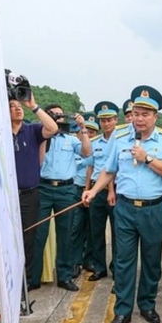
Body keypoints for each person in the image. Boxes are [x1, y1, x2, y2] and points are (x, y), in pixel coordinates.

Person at [83, 86, 162, 323]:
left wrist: (147, 158)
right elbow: (109, 170)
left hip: (154, 209)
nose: (139, 118)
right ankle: (122, 310)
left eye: (145, 114)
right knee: (124, 261)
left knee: (151, 260)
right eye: (136, 113)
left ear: (155, 117)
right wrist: (93, 191)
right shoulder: (119, 137)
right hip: (125, 208)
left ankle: (147, 304)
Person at [0, 94, 59, 302]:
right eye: (12, 106)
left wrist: (33, 105)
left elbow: (53, 128)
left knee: (27, 239)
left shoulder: (33, 130)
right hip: (3, 196)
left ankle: (22, 285)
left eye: (19, 106)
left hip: (29, 195)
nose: (17, 109)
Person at [31, 105, 91, 292]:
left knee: (65, 235)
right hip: (43, 188)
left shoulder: (70, 139)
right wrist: (45, 133)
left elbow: (86, 153)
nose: (57, 118)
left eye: (60, 115)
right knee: (38, 234)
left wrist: (83, 128)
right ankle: (33, 277)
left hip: (66, 189)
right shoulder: (38, 137)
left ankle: (64, 276)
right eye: (53, 115)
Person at [86, 101, 121, 282]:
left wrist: (110, 190)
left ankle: (117, 267)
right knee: (96, 231)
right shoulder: (94, 142)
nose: (106, 124)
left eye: (109, 120)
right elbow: (90, 168)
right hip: (96, 191)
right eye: (103, 121)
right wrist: (87, 191)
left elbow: (113, 169)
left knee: (118, 232)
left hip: (115, 190)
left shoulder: (122, 139)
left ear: (116, 120)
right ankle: (99, 267)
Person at [69, 114, 99, 279]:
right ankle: (75, 261)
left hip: (92, 190)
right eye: (87, 131)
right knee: (76, 227)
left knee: (92, 228)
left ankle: (89, 260)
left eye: (94, 131)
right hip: (76, 189)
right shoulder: (73, 146)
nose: (90, 134)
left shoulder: (98, 147)